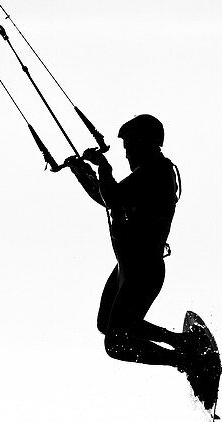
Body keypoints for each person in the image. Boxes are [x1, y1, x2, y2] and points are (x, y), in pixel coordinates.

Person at [69, 114, 193, 372]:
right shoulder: (146, 175)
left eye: (129, 147)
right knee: (108, 324)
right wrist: (82, 172)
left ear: (146, 142)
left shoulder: (156, 171)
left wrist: (103, 166)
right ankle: (181, 344)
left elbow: (112, 196)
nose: (126, 155)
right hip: (128, 267)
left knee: (115, 343)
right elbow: (107, 197)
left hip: (143, 270)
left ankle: (185, 360)